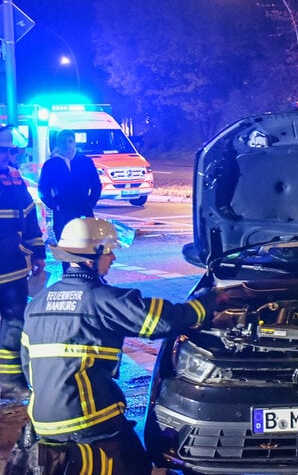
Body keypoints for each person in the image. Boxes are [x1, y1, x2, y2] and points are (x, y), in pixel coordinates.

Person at [20, 217, 216, 475]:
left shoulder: (37, 303)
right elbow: (163, 321)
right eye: (109, 251)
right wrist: (209, 301)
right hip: (87, 418)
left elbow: (27, 365)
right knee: (135, 462)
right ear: (92, 257)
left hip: (42, 421)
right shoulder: (102, 300)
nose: (112, 258)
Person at [0, 125, 46, 402]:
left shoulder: (14, 179)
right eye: (4, 150)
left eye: (9, 151)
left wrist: (37, 252)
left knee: (15, 321)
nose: (8, 156)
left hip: (13, 267)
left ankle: (7, 380)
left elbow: (29, 216)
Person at [38, 129, 102, 242]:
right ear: (58, 144)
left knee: (86, 249)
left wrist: (90, 202)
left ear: (75, 143)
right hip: (62, 212)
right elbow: (43, 189)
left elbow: (96, 185)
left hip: (83, 210)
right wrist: (54, 205)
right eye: (63, 142)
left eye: (70, 141)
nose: (67, 145)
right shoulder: (51, 165)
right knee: (66, 249)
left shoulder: (85, 161)